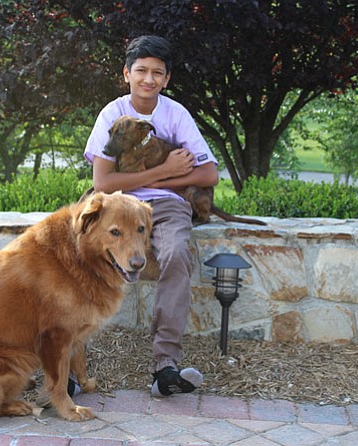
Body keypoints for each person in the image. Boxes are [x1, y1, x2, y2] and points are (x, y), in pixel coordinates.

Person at [83, 35, 219, 396]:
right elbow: (103, 181)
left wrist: (166, 182)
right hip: (117, 203)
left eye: (157, 73)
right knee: (77, 254)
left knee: (176, 254)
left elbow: (209, 175)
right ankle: (68, 365)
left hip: (167, 204)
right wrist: (164, 173)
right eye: (141, 70)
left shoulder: (175, 114)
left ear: (167, 78)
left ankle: (165, 365)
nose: (149, 79)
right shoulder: (113, 116)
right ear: (126, 73)